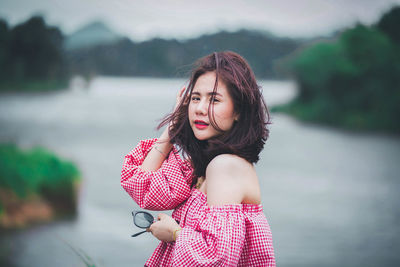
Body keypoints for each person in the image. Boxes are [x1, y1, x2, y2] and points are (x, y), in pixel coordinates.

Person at [121, 51, 275, 266]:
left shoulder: (225, 166)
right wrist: (172, 128)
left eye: (214, 99)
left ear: (238, 110)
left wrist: (175, 233)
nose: (200, 109)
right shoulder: (203, 166)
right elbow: (144, 188)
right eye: (195, 98)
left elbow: (219, 259)